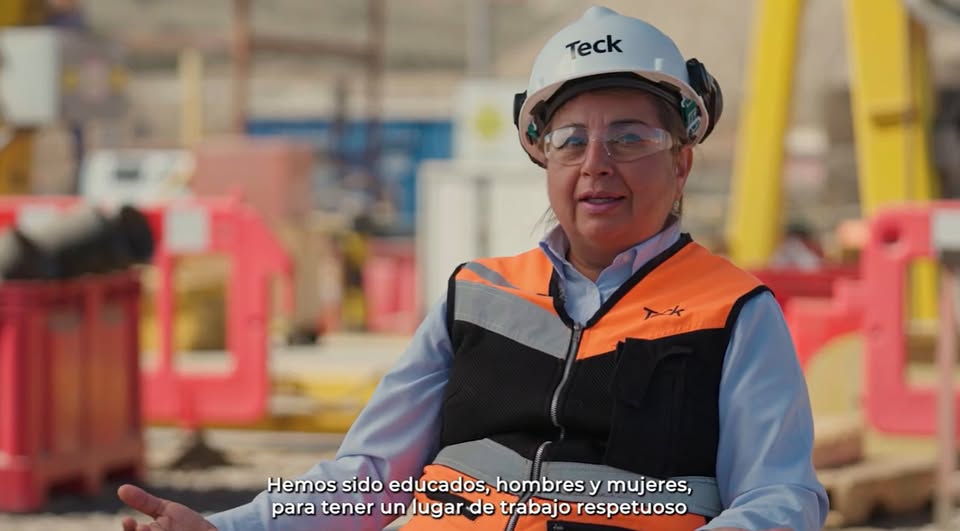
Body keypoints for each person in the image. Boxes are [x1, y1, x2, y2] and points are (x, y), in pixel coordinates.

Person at [118, 6, 828, 531]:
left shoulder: (735, 312)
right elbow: (368, 477)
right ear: (542, 159)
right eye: (571, 140)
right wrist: (230, 526)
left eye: (630, 137)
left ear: (682, 161)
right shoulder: (476, 295)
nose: (596, 164)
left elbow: (779, 499)